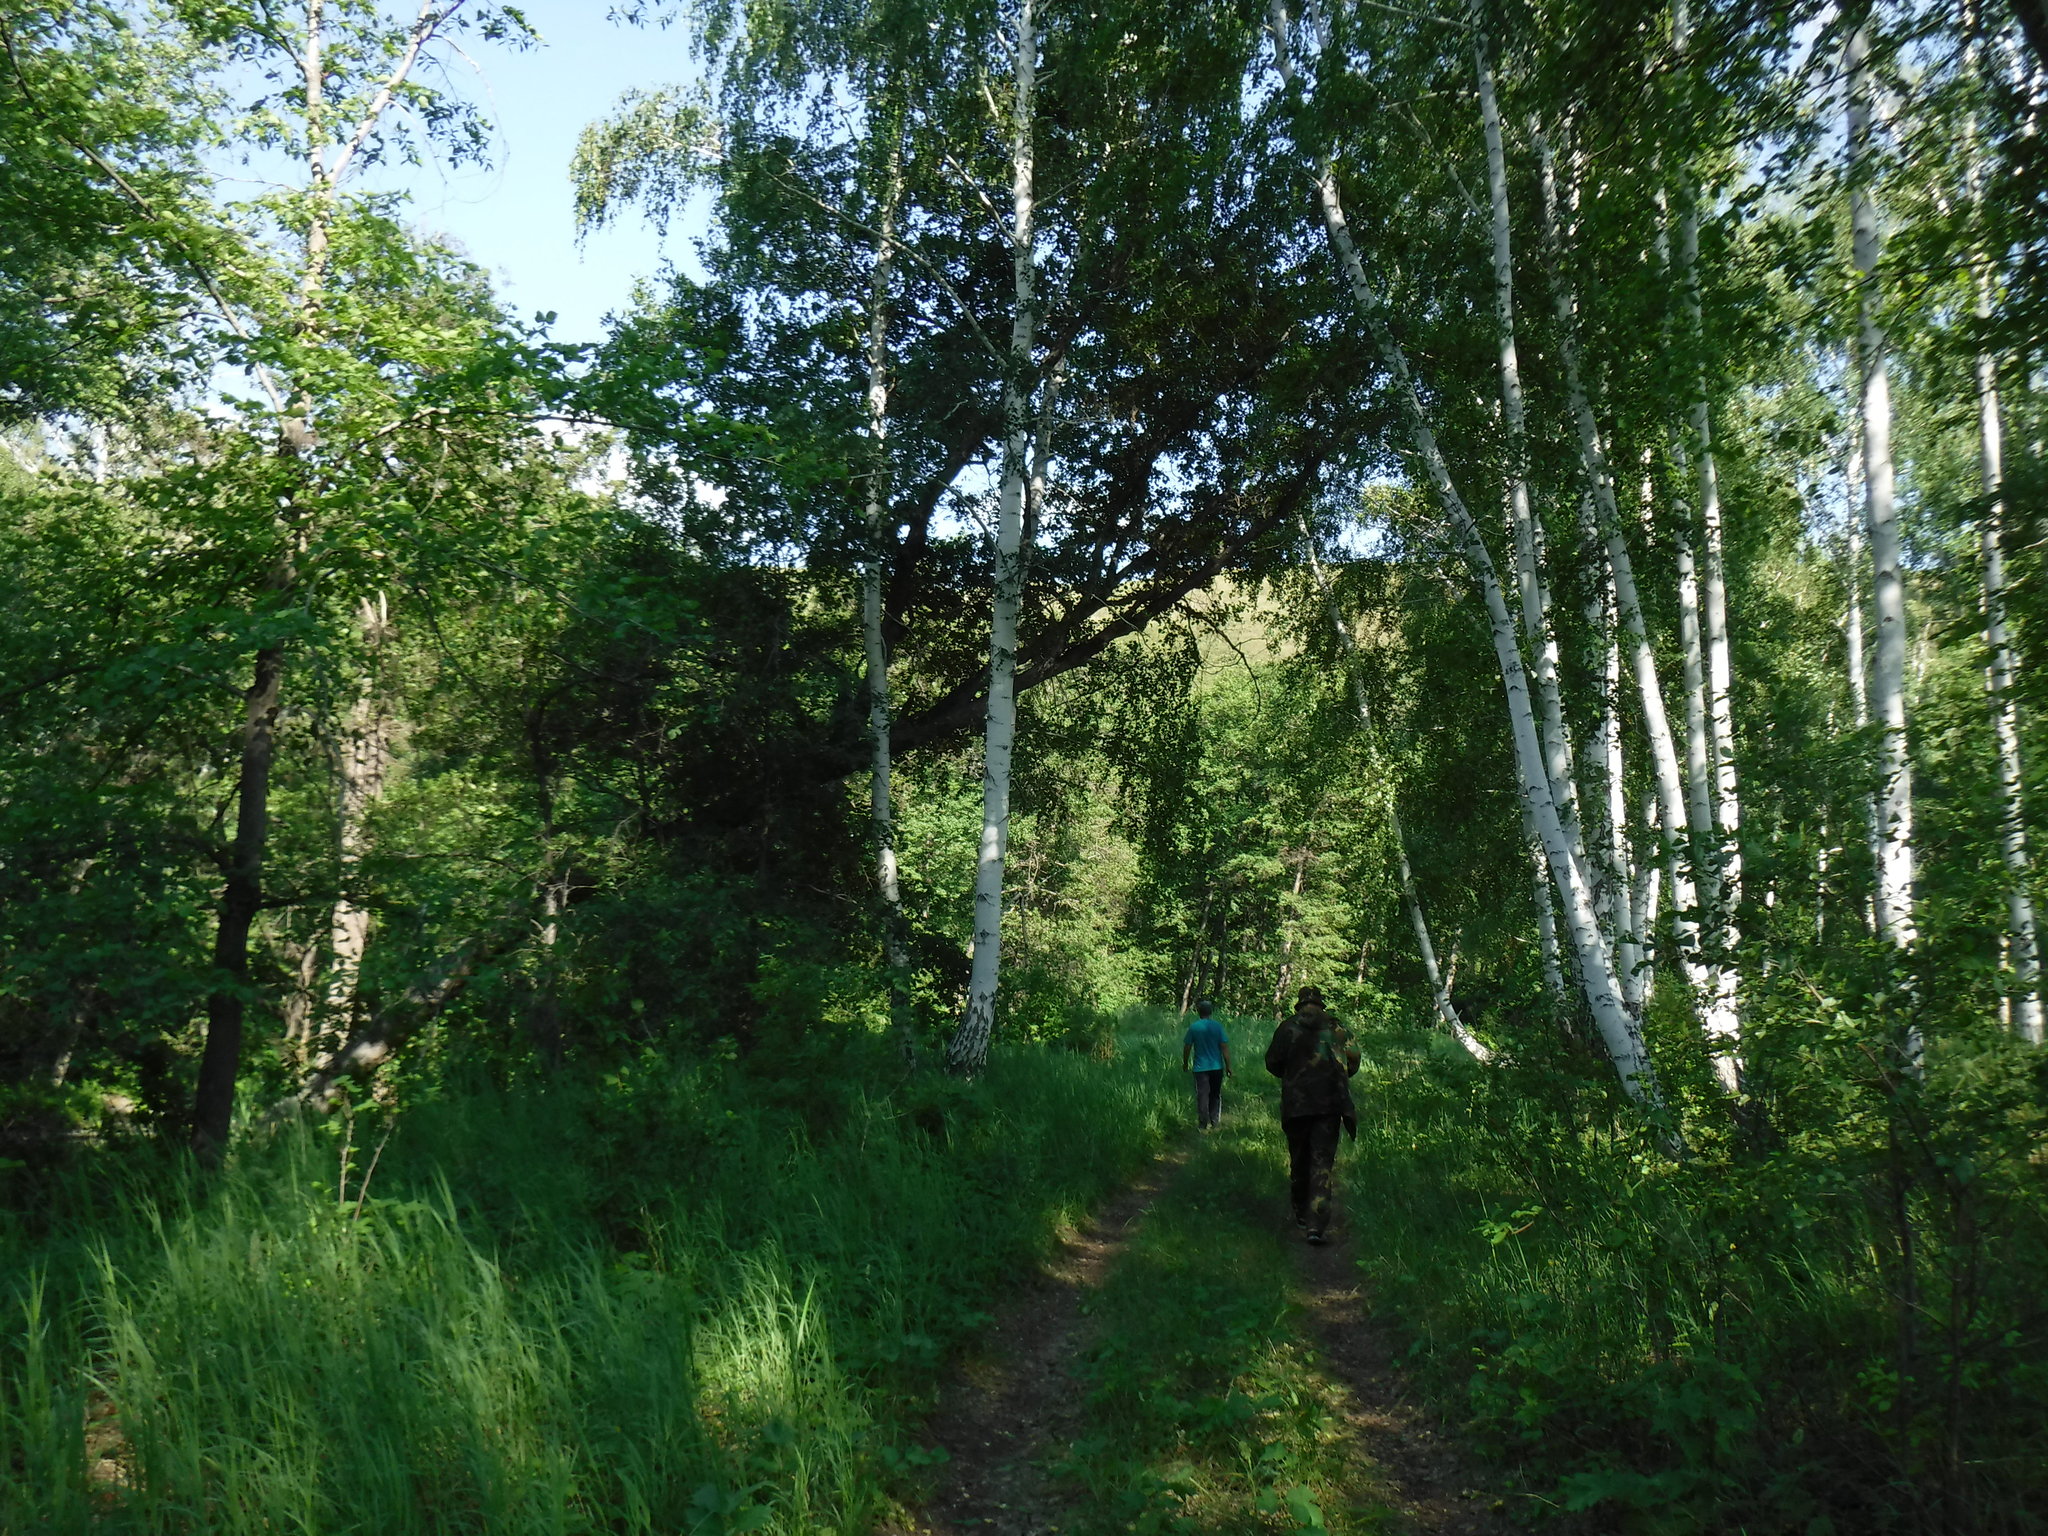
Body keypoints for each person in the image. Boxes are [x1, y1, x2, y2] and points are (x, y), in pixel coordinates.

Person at [1263, 985, 1359, 1245]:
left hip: (1296, 1106)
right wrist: (1338, 1074)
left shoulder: (1287, 1028)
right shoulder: (1338, 1029)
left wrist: (1292, 1075)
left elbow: (1272, 1062)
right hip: (1329, 1105)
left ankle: (1300, 1211)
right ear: (1320, 1003)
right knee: (1322, 1164)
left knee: (1299, 1158)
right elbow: (1355, 1059)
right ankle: (1316, 1225)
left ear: (1300, 1004)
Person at [1181, 999, 1232, 1130]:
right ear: (1211, 1012)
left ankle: (1203, 1123)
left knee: (1202, 1095)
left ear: (1199, 1012)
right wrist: (1228, 1066)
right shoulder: (1218, 1027)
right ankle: (1215, 1122)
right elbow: (1224, 1047)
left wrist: (1185, 1063)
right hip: (1216, 1067)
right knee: (1215, 1094)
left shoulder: (1194, 1027)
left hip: (1200, 1068)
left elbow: (1187, 1047)